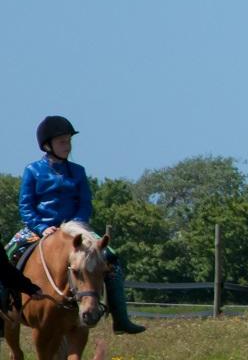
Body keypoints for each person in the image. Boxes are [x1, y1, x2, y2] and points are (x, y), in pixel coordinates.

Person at [10, 115, 146, 333]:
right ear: (48, 145)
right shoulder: (32, 170)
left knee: (112, 259)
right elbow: (26, 207)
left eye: (69, 141)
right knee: (7, 256)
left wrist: (76, 225)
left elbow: (85, 203)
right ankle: (4, 316)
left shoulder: (79, 171)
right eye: (62, 142)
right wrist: (42, 227)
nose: (67, 146)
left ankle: (121, 320)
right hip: (39, 228)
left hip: (76, 231)